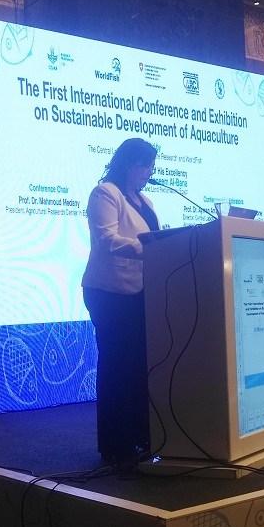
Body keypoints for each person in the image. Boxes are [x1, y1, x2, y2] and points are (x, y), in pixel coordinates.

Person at [81, 137, 159, 466]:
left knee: (138, 366)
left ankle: (140, 436)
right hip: (109, 293)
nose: (149, 172)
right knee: (117, 365)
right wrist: (152, 249)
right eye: (145, 165)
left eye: (151, 166)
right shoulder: (105, 193)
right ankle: (115, 444)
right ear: (128, 164)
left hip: (140, 293)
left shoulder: (145, 200)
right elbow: (107, 239)